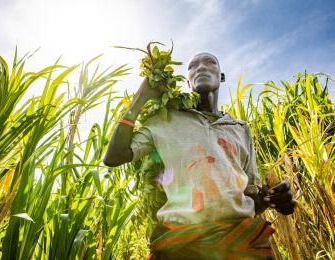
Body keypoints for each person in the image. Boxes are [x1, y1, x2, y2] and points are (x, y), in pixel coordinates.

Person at [103, 52, 296, 259]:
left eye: (210, 62)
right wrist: (139, 99)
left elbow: (250, 198)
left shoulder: (240, 128)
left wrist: (270, 199)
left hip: (241, 244)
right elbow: (114, 157)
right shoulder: (164, 121)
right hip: (182, 246)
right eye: (193, 66)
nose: (201, 68)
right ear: (187, 81)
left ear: (221, 76)